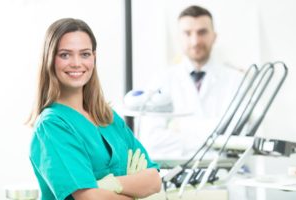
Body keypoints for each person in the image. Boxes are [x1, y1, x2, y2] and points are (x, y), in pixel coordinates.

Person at [28, 18, 161, 200]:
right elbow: (89, 198)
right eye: (65, 55)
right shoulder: (52, 126)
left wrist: (111, 184)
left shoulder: (108, 118)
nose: (76, 63)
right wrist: (134, 190)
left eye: (85, 54)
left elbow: (154, 180)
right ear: (50, 59)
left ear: (94, 57)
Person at [139, 5, 244, 159]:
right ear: (178, 38)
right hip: (175, 176)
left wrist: (181, 128)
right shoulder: (161, 80)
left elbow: (237, 136)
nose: (195, 41)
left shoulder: (236, 80)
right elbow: (151, 141)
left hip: (223, 175)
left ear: (214, 36)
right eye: (187, 33)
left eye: (202, 32)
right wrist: (213, 134)